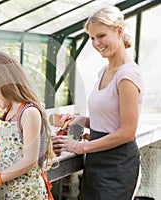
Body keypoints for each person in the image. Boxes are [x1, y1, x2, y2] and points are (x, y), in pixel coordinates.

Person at [52, 5, 143, 200]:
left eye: (101, 36)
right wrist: (79, 120)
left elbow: (127, 132)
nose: (96, 43)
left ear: (119, 31)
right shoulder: (104, 71)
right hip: (96, 160)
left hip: (117, 165)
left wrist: (80, 147)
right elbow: (107, 121)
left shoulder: (127, 75)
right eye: (92, 38)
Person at [0, 51, 56, 199]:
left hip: (27, 193)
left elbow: (30, 160)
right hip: (9, 192)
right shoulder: (10, 112)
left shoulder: (29, 112)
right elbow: (7, 133)